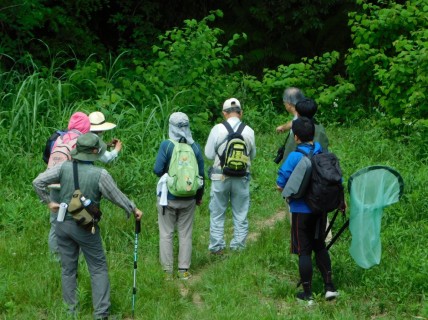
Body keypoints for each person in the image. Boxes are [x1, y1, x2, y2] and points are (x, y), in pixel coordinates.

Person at [33, 133, 143, 318]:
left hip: (62, 224)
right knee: (98, 267)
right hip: (84, 226)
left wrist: (48, 202)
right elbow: (117, 196)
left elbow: (38, 182)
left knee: (68, 269)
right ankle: (101, 315)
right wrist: (133, 209)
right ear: (94, 152)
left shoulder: (63, 167)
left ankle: (70, 312)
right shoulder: (100, 174)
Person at [276, 117, 339, 303]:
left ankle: (307, 294)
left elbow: (280, 184)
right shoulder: (323, 154)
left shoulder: (295, 157)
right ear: (313, 134)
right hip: (320, 209)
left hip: (300, 210)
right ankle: (329, 287)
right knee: (320, 246)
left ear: (296, 137)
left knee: (304, 251)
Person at [153, 112, 205, 280]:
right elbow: (201, 174)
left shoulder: (167, 146)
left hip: (168, 197)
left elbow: (157, 170)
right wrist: (198, 197)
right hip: (189, 198)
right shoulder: (195, 147)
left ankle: (167, 272)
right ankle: (183, 270)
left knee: (166, 233)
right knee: (185, 233)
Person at [205, 98, 256, 255]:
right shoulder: (249, 131)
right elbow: (252, 156)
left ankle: (217, 247)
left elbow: (208, 154)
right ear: (241, 113)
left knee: (218, 212)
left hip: (220, 176)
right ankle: (238, 247)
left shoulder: (217, 129)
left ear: (224, 113)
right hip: (241, 177)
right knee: (240, 213)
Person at [47, 112, 91, 259]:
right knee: (76, 220)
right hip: (70, 187)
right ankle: (73, 257)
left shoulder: (59, 138)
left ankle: (55, 257)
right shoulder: (81, 141)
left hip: (54, 184)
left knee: (55, 222)